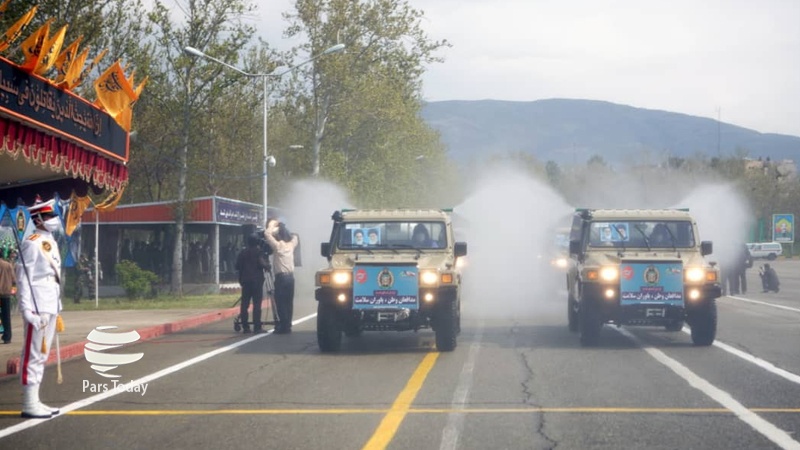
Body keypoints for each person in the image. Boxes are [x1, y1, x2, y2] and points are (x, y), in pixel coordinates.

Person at [16, 196, 64, 418]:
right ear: (38, 219)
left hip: (50, 303)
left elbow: (53, 277)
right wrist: (27, 310)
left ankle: (35, 400)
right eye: (49, 216)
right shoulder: (31, 242)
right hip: (36, 305)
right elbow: (24, 278)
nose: (54, 219)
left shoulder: (50, 241)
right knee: (33, 354)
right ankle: (28, 402)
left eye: (53, 215)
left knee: (42, 355)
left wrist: (58, 303)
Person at [265, 219, 299, 334]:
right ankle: (287, 325)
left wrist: (272, 225)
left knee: (280, 302)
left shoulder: (278, 246)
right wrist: (285, 229)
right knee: (289, 302)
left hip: (281, 278)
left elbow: (267, 234)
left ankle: (283, 326)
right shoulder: (291, 245)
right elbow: (295, 237)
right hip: (291, 278)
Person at [235, 234, 270, 333]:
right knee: (257, 305)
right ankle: (257, 326)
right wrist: (268, 266)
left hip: (245, 281)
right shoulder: (259, 252)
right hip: (256, 282)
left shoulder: (242, 253)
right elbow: (263, 263)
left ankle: (245, 327)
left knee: (244, 305)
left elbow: (237, 266)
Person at [0, 249, 17, 344]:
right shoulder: (8, 265)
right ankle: (7, 336)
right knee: (6, 317)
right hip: (6, 294)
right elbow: (14, 280)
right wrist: (13, 291)